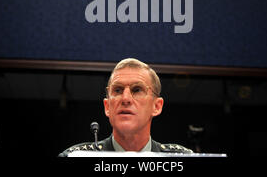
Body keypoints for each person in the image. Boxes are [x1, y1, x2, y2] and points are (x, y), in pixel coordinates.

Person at [58, 58, 193, 156]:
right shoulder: (75, 156)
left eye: (137, 90)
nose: (125, 98)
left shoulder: (180, 158)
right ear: (107, 107)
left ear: (156, 106)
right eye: (117, 90)